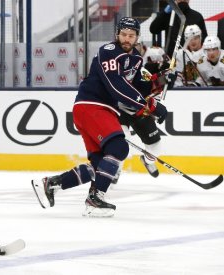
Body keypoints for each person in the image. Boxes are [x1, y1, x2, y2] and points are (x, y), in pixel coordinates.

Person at [31, 17, 168, 217]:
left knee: (100, 166)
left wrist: (162, 78)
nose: (127, 39)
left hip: (100, 110)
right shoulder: (109, 51)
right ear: (117, 35)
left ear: (137, 37)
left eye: (131, 36)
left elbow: (140, 86)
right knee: (119, 148)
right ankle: (95, 198)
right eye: (124, 34)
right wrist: (148, 105)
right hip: (92, 105)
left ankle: (51, 184)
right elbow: (116, 85)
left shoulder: (137, 59)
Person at [113, 46, 171, 183]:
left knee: (155, 149)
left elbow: (153, 91)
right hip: (118, 111)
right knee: (121, 142)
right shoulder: (113, 72)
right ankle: (114, 168)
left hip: (139, 112)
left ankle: (147, 161)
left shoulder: (142, 72)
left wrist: (164, 79)